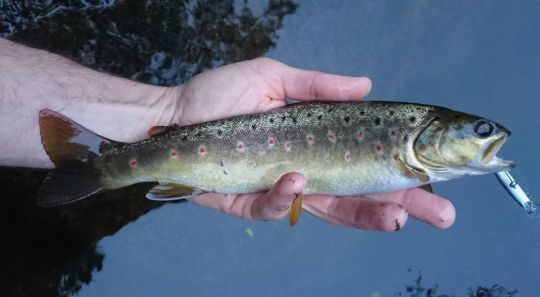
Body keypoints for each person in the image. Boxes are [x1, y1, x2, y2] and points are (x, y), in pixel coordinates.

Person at [0, 38, 455, 231]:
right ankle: (106, 166)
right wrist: (172, 110)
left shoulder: (409, 164)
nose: (489, 139)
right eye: (480, 132)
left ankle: (108, 165)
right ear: (430, 135)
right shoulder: (406, 150)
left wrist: (167, 110)